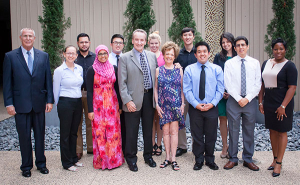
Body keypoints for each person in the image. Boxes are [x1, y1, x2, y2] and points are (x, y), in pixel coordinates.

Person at [3, 28, 54, 177]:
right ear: (20, 37)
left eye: (30, 36)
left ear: (34, 38)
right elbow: (7, 83)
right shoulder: (10, 56)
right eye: (25, 36)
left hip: (39, 103)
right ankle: (26, 166)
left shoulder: (43, 56)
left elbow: (47, 80)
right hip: (20, 105)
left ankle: (41, 164)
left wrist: (49, 100)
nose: (27, 38)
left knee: (40, 136)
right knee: (24, 137)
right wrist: (9, 103)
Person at [118, 29, 158, 172]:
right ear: (133, 40)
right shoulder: (125, 58)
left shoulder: (152, 56)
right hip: (132, 100)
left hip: (149, 98)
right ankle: (131, 159)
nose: (139, 42)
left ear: (146, 41)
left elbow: (158, 76)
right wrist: (127, 101)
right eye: (137, 40)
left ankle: (148, 156)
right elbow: (121, 83)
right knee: (131, 131)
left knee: (148, 130)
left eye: (142, 40)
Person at [258, 38, 298, 177]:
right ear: (272, 50)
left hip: (283, 102)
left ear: (285, 50)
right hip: (269, 100)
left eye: (281, 49)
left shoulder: (290, 66)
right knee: (272, 131)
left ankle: (279, 163)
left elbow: (292, 88)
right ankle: (274, 159)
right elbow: (262, 84)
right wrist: (260, 102)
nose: (278, 51)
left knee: (281, 131)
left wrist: (283, 106)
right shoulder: (266, 63)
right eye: (276, 49)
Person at [183, 41, 224, 171]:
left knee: (211, 134)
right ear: (195, 54)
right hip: (196, 108)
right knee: (197, 135)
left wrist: (212, 104)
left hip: (212, 107)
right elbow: (187, 90)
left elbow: (220, 89)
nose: (202, 54)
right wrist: (196, 104)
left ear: (209, 53)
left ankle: (210, 159)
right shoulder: (189, 69)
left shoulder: (216, 69)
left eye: (204, 51)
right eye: (199, 52)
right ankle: (199, 159)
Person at [223, 36, 261, 171]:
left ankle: (248, 159)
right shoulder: (229, 63)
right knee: (233, 130)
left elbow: (258, 83)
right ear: (235, 48)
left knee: (249, 131)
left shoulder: (255, 63)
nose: (241, 47)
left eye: (243, 45)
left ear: (247, 46)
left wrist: (248, 98)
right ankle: (232, 158)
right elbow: (227, 82)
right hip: (234, 100)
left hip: (250, 101)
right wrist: (239, 98)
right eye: (238, 45)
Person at [86, 45, 124, 170]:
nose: (103, 56)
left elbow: (117, 88)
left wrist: (120, 105)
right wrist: (90, 110)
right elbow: (90, 91)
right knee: (100, 133)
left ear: (108, 54)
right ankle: (102, 161)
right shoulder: (92, 70)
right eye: (100, 54)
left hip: (112, 105)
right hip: (98, 106)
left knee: (113, 133)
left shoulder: (113, 68)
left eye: (105, 53)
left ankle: (114, 160)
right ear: (97, 55)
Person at [53, 45, 84, 172]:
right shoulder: (59, 71)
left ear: (77, 55)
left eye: (73, 53)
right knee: (65, 133)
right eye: (68, 53)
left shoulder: (79, 69)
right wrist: (57, 104)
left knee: (74, 132)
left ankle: (73, 158)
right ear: (64, 54)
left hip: (77, 101)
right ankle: (66, 162)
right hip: (65, 102)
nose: (71, 55)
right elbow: (56, 89)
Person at [154, 41, 184, 171]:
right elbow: (155, 89)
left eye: (172, 54)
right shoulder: (158, 70)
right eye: (167, 54)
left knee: (174, 132)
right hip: (163, 106)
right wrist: (157, 104)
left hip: (176, 105)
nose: (169, 56)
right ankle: (167, 158)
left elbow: (182, 89)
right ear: (164, 54)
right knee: (165, 133)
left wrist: (182, 104)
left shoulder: (179, 70)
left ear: (174, 55)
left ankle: (174, 159)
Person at [174, 27, 198, 157]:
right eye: (185, 35)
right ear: (182, 37)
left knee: (195, 120)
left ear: (193, 36)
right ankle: (182, 146)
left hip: (195, 93)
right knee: (180, 120)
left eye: (189, 35)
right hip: (181, 93)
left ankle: (196, 146)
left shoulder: (198, 52)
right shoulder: (178, 54)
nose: (187, 37)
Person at [213, 32, 237, 159]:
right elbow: (215, 75)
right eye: (223, 42)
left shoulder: (238, 56)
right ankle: (224, 145)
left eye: (228, 42)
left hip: (235, 94)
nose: (225, 44)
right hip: (222, 93)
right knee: (222, 119)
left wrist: (233, 92)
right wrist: (221, 91)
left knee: (233, 120)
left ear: (232, 42)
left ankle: (233, 147)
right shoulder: (219, 57)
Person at [75, 33, 96, 160]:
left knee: (91, 122)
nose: (84, 44)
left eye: (86, 42)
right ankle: (78, 149)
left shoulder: (95, 57)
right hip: (76, 94)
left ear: (89, 43)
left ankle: (90, 147)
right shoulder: (74, 56)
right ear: (78, 43)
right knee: (77, 123)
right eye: (81, 42)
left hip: (90, 94)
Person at [108, 34, 126, 155]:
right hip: (110, 97)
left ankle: (124, 150)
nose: (118, 45)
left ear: (123, 45)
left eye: (120, 43)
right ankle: (112, 150)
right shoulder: (106, 59)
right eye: (115, 42)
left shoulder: (127, 58)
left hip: (125, 96)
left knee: (125, 125)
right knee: (112, 125)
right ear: (111, 44)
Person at [148, 31, 164, 156]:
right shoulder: (146, 55)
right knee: (151, 119)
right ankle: (152, 143)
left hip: (162, 91)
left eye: (156, 43)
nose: (154, 45)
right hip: (149, 90)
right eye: (152, 43)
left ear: (159, 43)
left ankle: (159, 144)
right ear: (148, 44)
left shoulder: (163, 56)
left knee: (160, 119)